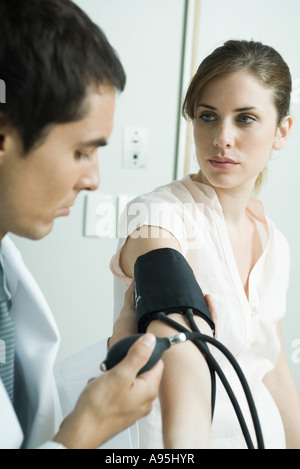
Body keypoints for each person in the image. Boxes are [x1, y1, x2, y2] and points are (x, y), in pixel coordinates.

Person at [110, 40, 300, 449]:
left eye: (245, 119)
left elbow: (275, 369)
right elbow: (179, 349)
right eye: (207, 117)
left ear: (282, 130)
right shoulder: (156, 217)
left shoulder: (276, 243)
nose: (222, 138)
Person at [0, 0, 163, 449]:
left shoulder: (5, 276)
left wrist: (115, 355)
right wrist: (84, 432)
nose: (93, 180)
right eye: (81, 152)